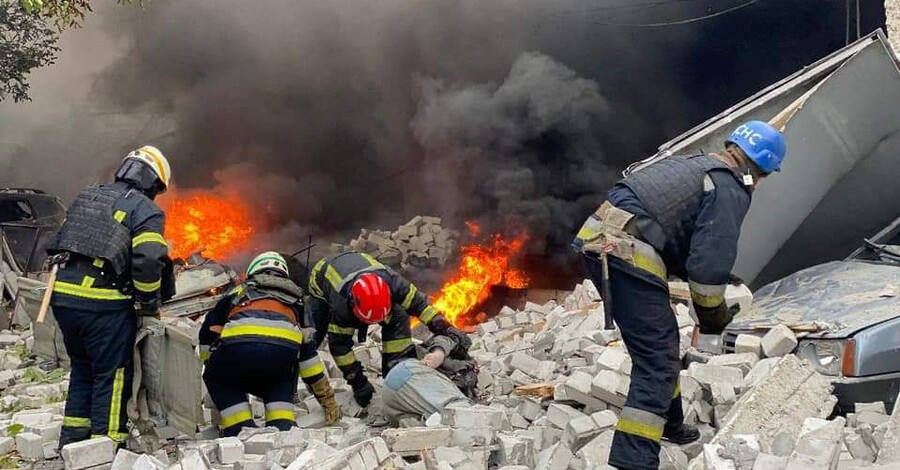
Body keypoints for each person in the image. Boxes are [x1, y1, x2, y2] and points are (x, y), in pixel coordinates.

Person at [573, 121, 786, 470]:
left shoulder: (696, 165)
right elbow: (707, 269)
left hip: (599, 243)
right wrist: (713, 317)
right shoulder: (730, 187)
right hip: (625, 252)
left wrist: (698, 275)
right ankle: (634, 461)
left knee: (661, 344)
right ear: (761, 169)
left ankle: (671, 425)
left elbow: (674, 233)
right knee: (657, 361)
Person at [50, 146, 174, 447]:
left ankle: (73, 440)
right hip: (101, 304)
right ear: (153, 182)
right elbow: (147, 259)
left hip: (62, 297)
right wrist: (148, 304)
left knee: (83, 369)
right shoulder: (145, 210)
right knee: (113, 374)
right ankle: (105, 446)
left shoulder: (89, 195)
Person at [305, 250, 471, 408]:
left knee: (398, 316)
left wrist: (445, 328)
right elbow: (340, 348)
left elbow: (421, 306)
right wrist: (358, 382)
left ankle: (397, 367)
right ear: (353, 305)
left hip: (361, 267)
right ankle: (302, 372)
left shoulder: (395, 283)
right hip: (322, 277)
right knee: (314, 334)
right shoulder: (341, 306)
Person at [199, 252, 340, 437]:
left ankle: (240, 429)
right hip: (280, 361)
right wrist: (327, 399)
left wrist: (212, 363)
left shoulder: (238, 292)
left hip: (238, 354)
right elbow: (308, 358)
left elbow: (208, 332)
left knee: (217, 377)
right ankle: (281, 429)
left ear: (253, 272)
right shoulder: (298, 301)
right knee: (283, 377)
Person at [382, 334, 476, 425]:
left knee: (437, 422)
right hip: (412, 375)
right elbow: (445, 339)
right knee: (461, 411)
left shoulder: (465, 381)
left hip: (394, 398)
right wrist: (438, 354)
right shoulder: (460, 356)